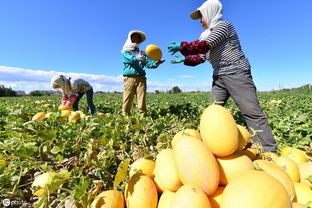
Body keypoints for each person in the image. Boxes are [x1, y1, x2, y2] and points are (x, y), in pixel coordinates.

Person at [167, 0, 277, 153]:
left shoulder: (224, 27)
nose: (200, 21)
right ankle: (211, 146)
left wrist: (182, 47)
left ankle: (269, 151)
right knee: (212, 112)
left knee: (251, 112)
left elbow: (203, 46)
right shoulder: (206, 35)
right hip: (219, 77)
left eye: (202, 16)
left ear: (210, 13)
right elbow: (201, 57)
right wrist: (185, 59)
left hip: (236, 73)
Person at [121, 30, 164, 116]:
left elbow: (148, 63)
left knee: (142, 99)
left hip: (141, 78)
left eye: (138, 38)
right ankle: (125, 116)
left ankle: (143, 116)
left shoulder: (142, 53)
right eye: (134, 37)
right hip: (129, 78)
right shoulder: (125, 51)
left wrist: (156, 63)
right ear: (130, 38)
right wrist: (137, 58)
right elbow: (129, 59)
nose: (136, 39)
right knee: (127, 98)